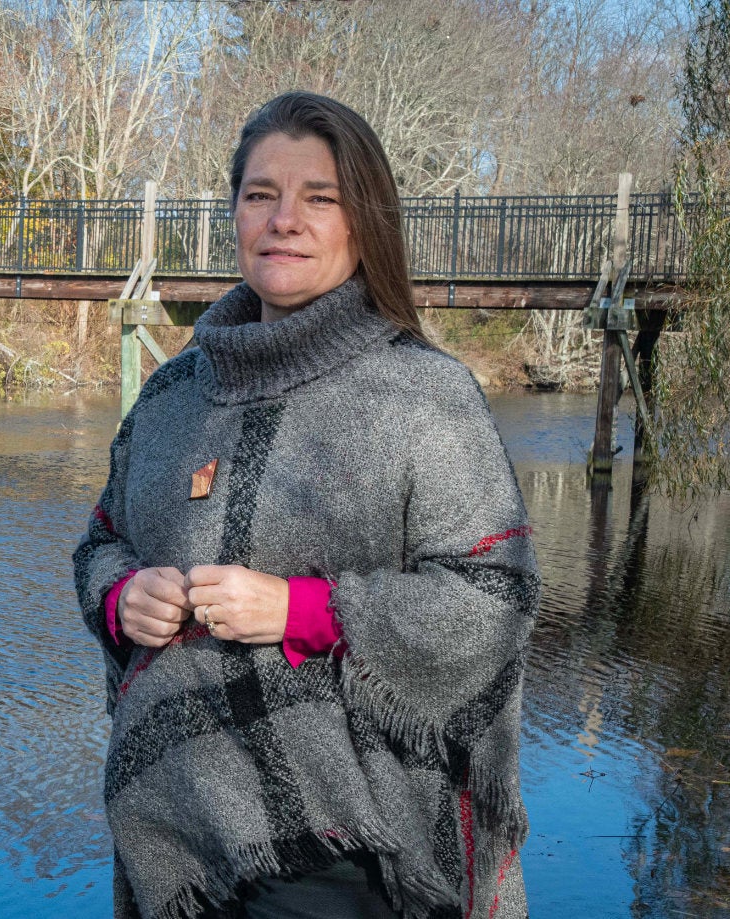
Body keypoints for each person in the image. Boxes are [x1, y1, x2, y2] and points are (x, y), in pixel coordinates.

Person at [73, 91, 539, 919]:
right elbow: (101, 540)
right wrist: (120, 597)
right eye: (261, 194)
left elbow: (492, 598)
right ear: (235, 213)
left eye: (318, 198)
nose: (284, 219)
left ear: (364, 221)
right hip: (173, 834)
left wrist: (298, 607)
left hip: (350, 853)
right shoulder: (173, 391)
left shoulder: (425, 397)